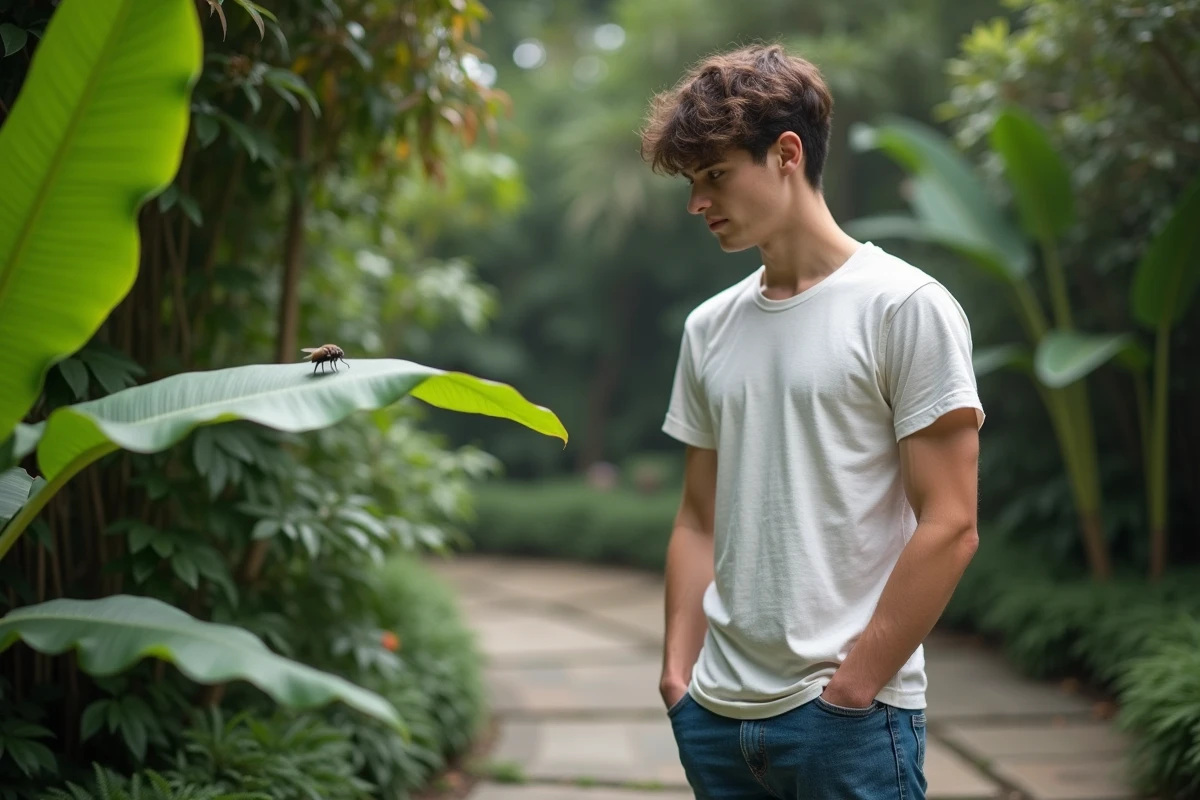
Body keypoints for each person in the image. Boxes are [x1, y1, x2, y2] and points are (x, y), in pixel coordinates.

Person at [639, 43, 985, 799]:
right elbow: (697, 518)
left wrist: (855, 689)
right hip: (716, 721)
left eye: (716, 175)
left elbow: (951, 522)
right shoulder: (708, 328)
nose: (698, 202)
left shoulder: (904, 306)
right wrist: (677, 676)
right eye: (692, 183)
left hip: (846, 724)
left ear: (787, 153)